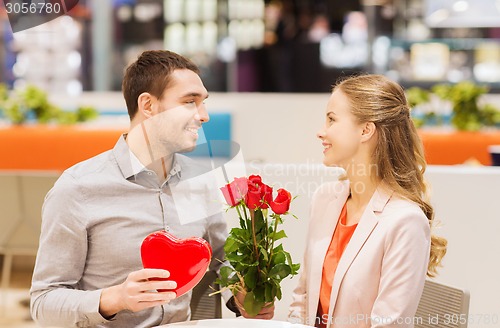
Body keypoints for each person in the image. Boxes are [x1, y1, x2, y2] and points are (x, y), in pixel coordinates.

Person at [30, 50, 273, 327]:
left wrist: (241, 295)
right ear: (148, 105)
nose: (203, 115)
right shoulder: (78, 188)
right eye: (189, 102)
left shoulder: (199, 181)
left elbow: (220, 262)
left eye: (203, 102)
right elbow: (43, 302)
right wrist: (114, 298)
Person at [288, 74, 447, 328]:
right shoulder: (325, 198)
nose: (321, 132)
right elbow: (303, 300)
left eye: (332, 119)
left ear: (365, 130)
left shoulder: (405, 221)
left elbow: (388, 325)